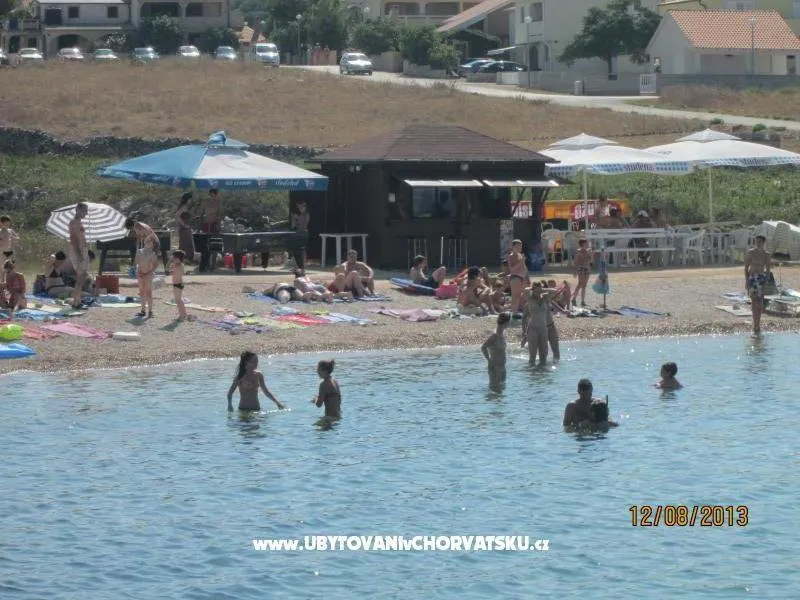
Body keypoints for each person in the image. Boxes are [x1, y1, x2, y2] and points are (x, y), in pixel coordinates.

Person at [521, 281, 558, 366]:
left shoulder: (545, 298)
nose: (538, 293)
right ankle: (532, 371)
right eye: (536, 291)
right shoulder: (530, 298)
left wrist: (541, 290)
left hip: (543, 329)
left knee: (544, 355)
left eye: (539, 290)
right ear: (533, 290)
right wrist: (533, 289)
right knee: (532, 356)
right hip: (532, 329)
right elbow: (525, 290)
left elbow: (555, 291)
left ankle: (542, 372)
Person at [744, 234, 772, 335]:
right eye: (757, 241)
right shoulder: (751, 252)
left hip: (761, 278)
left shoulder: (766, 254)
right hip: (752, 277)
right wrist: (747, 281)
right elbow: (746, 268)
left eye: (760, 241)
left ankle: (758, 325)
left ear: (763, 243)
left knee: (759, 301)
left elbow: (768, 270)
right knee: (753, 300)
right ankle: (754, 323)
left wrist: (766, 283)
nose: (758, 243)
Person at [68, 202, 90, 309]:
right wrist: (78, 254)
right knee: (81, 275)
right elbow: (73, 238)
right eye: (84, 210)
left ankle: (77, 299)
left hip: (82, 250)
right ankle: (76, 300)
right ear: (78, 210)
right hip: (78, 251)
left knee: (82, 275)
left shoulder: (79, 222)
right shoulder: (74, 222)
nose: (86, 213)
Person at [481, 312, 510, 386]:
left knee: (501, 389)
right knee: (495, 389)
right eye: (508, 322)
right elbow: (483, 347)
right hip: (495, 367)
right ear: (506, 323)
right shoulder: (495, 336)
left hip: (502, 366)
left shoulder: (503, 333)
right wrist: (489, 360)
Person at [198, 188, 222, 272]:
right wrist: (200, 226)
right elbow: (201, 214)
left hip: (214, 225)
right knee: (205, 246)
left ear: (216, 195)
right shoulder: (205, 202)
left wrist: (218, 225)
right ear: (209, 194)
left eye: (214, 195)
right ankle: (206, 264)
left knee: (215, 245)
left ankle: (213, 265)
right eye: (211, 195)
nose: (212, 197)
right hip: (205, 225)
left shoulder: (218, 203)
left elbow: (220, 215)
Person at [136, 237, 158, 318]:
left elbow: (155, 265)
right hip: (140, 274)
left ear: (152, 244)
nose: (149, 242)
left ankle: (150, 311)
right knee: (142, 293)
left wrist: (149, 272)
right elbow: (137, 263)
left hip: (148, 274)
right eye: (148, 240)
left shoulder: (153, 253)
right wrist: (138, 272)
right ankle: (143, 310)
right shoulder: (139, 251)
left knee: (149, 293)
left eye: (151, 241)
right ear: (145, 241)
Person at [170, 250, 192, 321]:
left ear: (178, 258)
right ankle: (183, 314)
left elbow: (174, 273)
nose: (173, 259)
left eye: (174, 258)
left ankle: (182, 316)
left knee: (178, 300)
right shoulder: (179, 265)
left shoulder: (178, 266)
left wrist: (172, 267)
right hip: (178, 284)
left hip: (178, 284)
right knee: (178, 300)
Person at [507, 239, 528, 314]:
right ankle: (513, 312)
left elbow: (524, 267)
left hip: (523, 277)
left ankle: (518, 310)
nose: (520, 248)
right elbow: (511, 269)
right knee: (515, 296)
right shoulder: (511, 256)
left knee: (522, 295)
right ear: (513, 247)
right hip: (515, 277)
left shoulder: (520, 255)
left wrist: (526, 276)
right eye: (518, 246)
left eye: (520, 246)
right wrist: (521, 261)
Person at [571, 238, 592, 307]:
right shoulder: (578, 251)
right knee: (580, 284)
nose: (587, 244)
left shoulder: (588, 251)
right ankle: (574, 299)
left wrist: (590, 254)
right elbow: (576, 262)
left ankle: (583, 301)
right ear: (582, 244)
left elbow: (591, 260)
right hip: (581, 269)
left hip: (587, 268)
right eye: (586, 243)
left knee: (584, 285)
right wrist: (575, 271)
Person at [175, 192, 196, 263]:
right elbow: (177, 216)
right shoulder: (184, 207)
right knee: (186, 245)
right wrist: (184, 224)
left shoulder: (186, 206)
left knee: (186, 244)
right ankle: (184, 259)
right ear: (188, 199)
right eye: (190, 199)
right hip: (184, 229)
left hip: (185, 228)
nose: (191, 200)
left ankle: (183, 259)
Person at [290, 200, 310, 270]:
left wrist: (298, 219)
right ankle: (296, 266)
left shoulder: (306, 214)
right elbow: (293, 226)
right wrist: (294, 219)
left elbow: (305, 225)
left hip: (303, 234)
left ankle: (303, 267)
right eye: (298, 207)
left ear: (304, 207)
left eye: (301, 207)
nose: (300, 209)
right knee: (294, 250)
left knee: (303, 251)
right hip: (297, 233)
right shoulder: (298, 215)